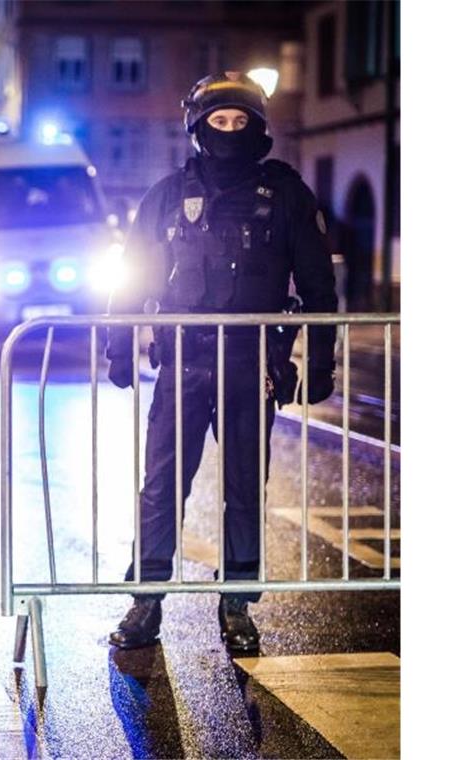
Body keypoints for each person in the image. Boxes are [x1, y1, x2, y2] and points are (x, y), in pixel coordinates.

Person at [105, 72, 337, 653]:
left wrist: (323, 361)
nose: (229, 131)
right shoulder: (167, 194)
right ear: (198, 125)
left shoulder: (285, 194)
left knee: (243, 490)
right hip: (183, 362)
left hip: (250, 365)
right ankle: (146, 602)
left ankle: (237, 605)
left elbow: (317, 284)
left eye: (240, 121)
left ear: (257, 128)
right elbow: (133, 273)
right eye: (218, 121)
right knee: (161, 486)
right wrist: (118, 345)